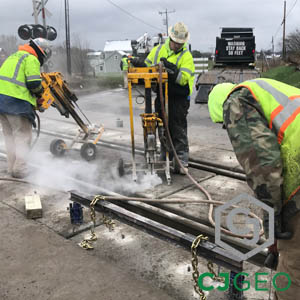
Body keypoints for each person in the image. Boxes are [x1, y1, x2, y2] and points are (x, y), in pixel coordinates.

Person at [208, 78, 300, 300]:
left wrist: (273, 221)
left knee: (292, 273)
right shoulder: (266, 91)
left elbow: (264, 170)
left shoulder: (236, 102)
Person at [132, 22, 195, 175]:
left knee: (177, 126)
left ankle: (181, 159)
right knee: (161, 124)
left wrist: (170, 68)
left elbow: (182, 80)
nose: (177, 46)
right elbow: (146, 66)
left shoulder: (186, 56)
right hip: (161, 94)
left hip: (178, 97)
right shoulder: (158, 50)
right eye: (175, 42)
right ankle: (166, 153)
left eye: (181, 43)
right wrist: (134, 62)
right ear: (170, 39)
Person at [0, 38, 51, 178]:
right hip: (16, 103)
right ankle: (20, 169)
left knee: (9, 136)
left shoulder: (13, 56)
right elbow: (34, 83)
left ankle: (11, 167)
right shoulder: (31, 59)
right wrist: (40, 93)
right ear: (42, 51)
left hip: (1, 102)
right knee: (22, 137)